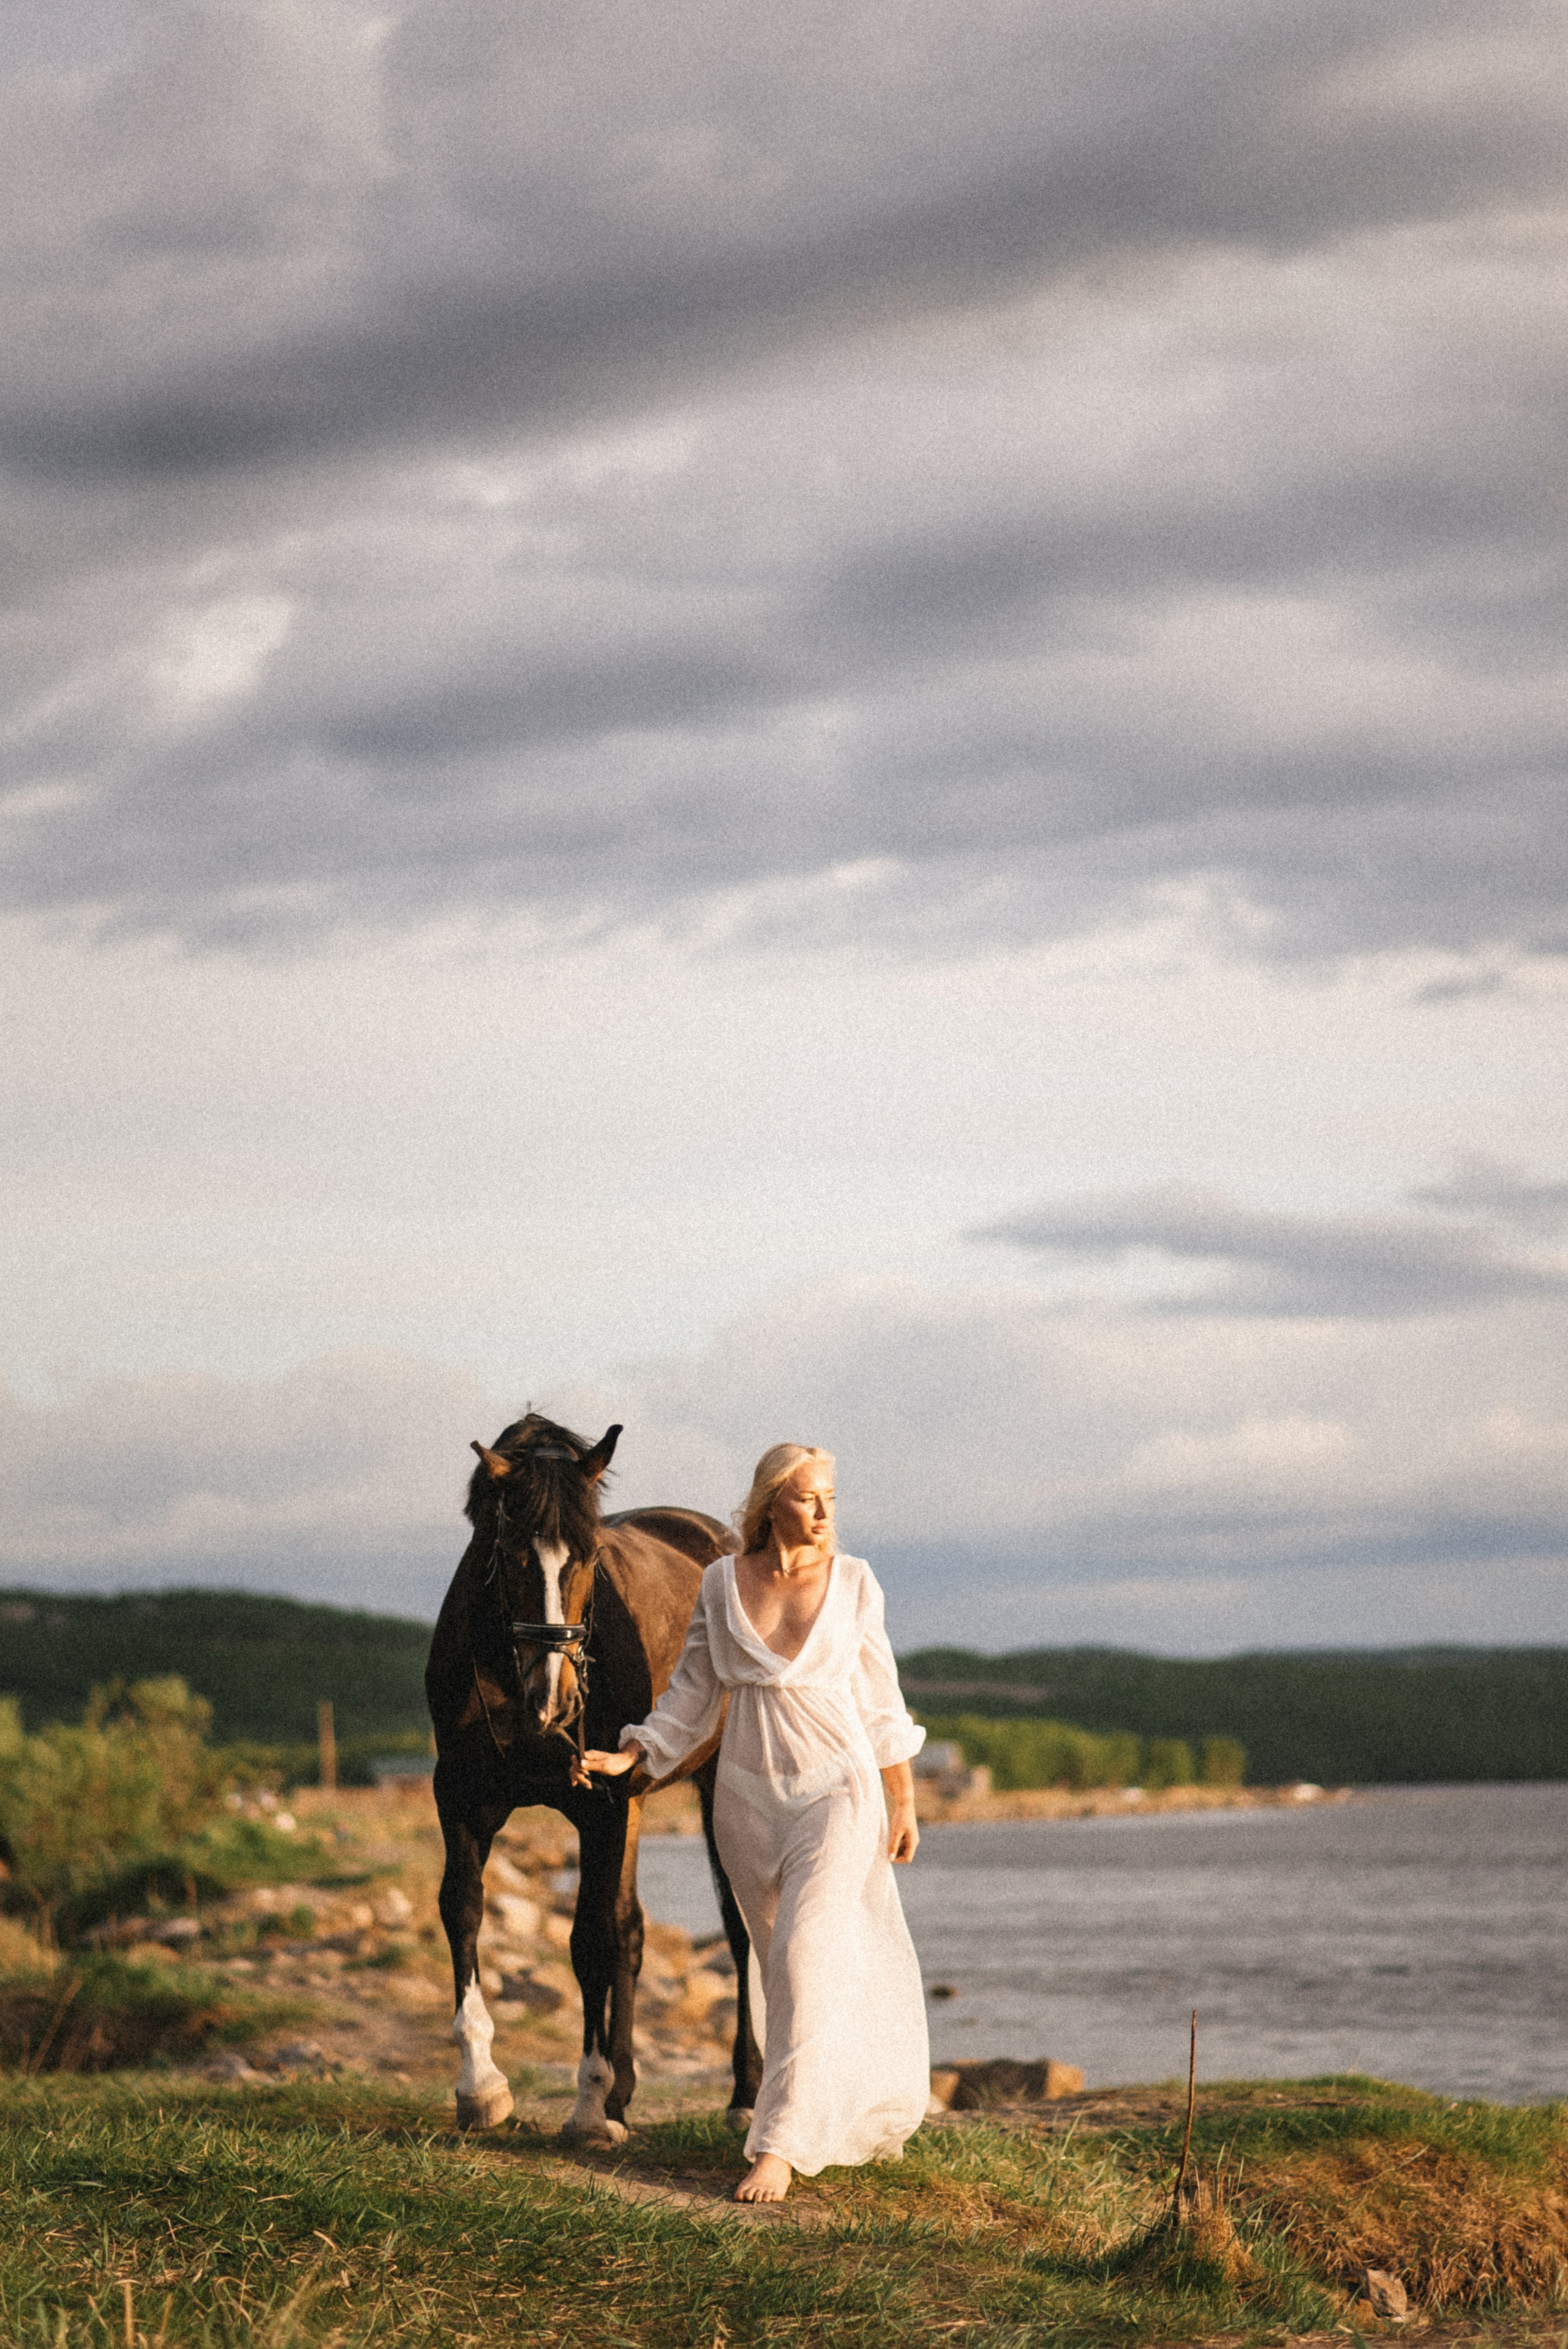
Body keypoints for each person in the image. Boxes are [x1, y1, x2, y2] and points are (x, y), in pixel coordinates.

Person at [573, 1443, 930, 2201]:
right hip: (745, 1796)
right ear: (771, 1503)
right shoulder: (719, 1582)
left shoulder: (857, 1582)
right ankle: (841, 2099)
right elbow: (693, 1694)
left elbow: (880, 1703)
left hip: (838, 1787)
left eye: (831, 1494)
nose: (825, 1511)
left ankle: (778, 2144)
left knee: (806, 1950)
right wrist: (631, 1753)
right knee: (782, 1965)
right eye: (808, 1497)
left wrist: (903, 1800)